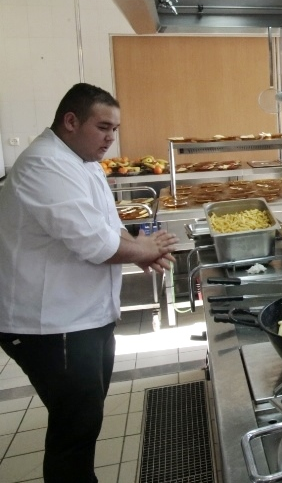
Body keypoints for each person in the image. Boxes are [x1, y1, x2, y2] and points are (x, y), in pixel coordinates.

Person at [0, 83, 177, 483]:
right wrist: (143, 249)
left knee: (85, 417)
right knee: (75, 428)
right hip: (51, 323)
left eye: (114, 129)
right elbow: (96, 244)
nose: (110, 138)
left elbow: (109, 227)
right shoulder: (44, 165)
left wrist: (141, 248)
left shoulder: (81, 161)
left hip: (84, 316)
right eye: (103, 127)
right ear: (70, 121)